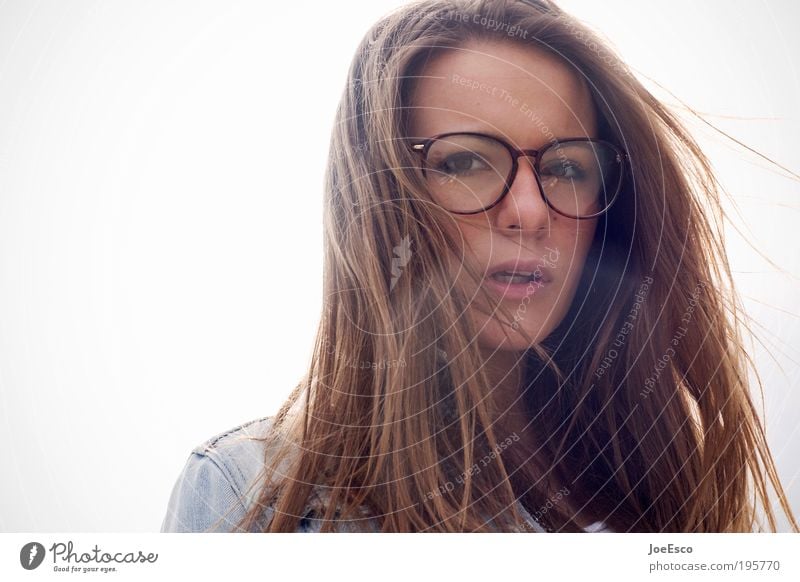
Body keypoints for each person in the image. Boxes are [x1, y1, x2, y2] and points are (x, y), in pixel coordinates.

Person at [161, 0, 798, 533]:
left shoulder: (658, 488)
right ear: (379, 200)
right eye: (465, 162)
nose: (528, 211)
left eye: (568, 167)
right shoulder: (251, 497)